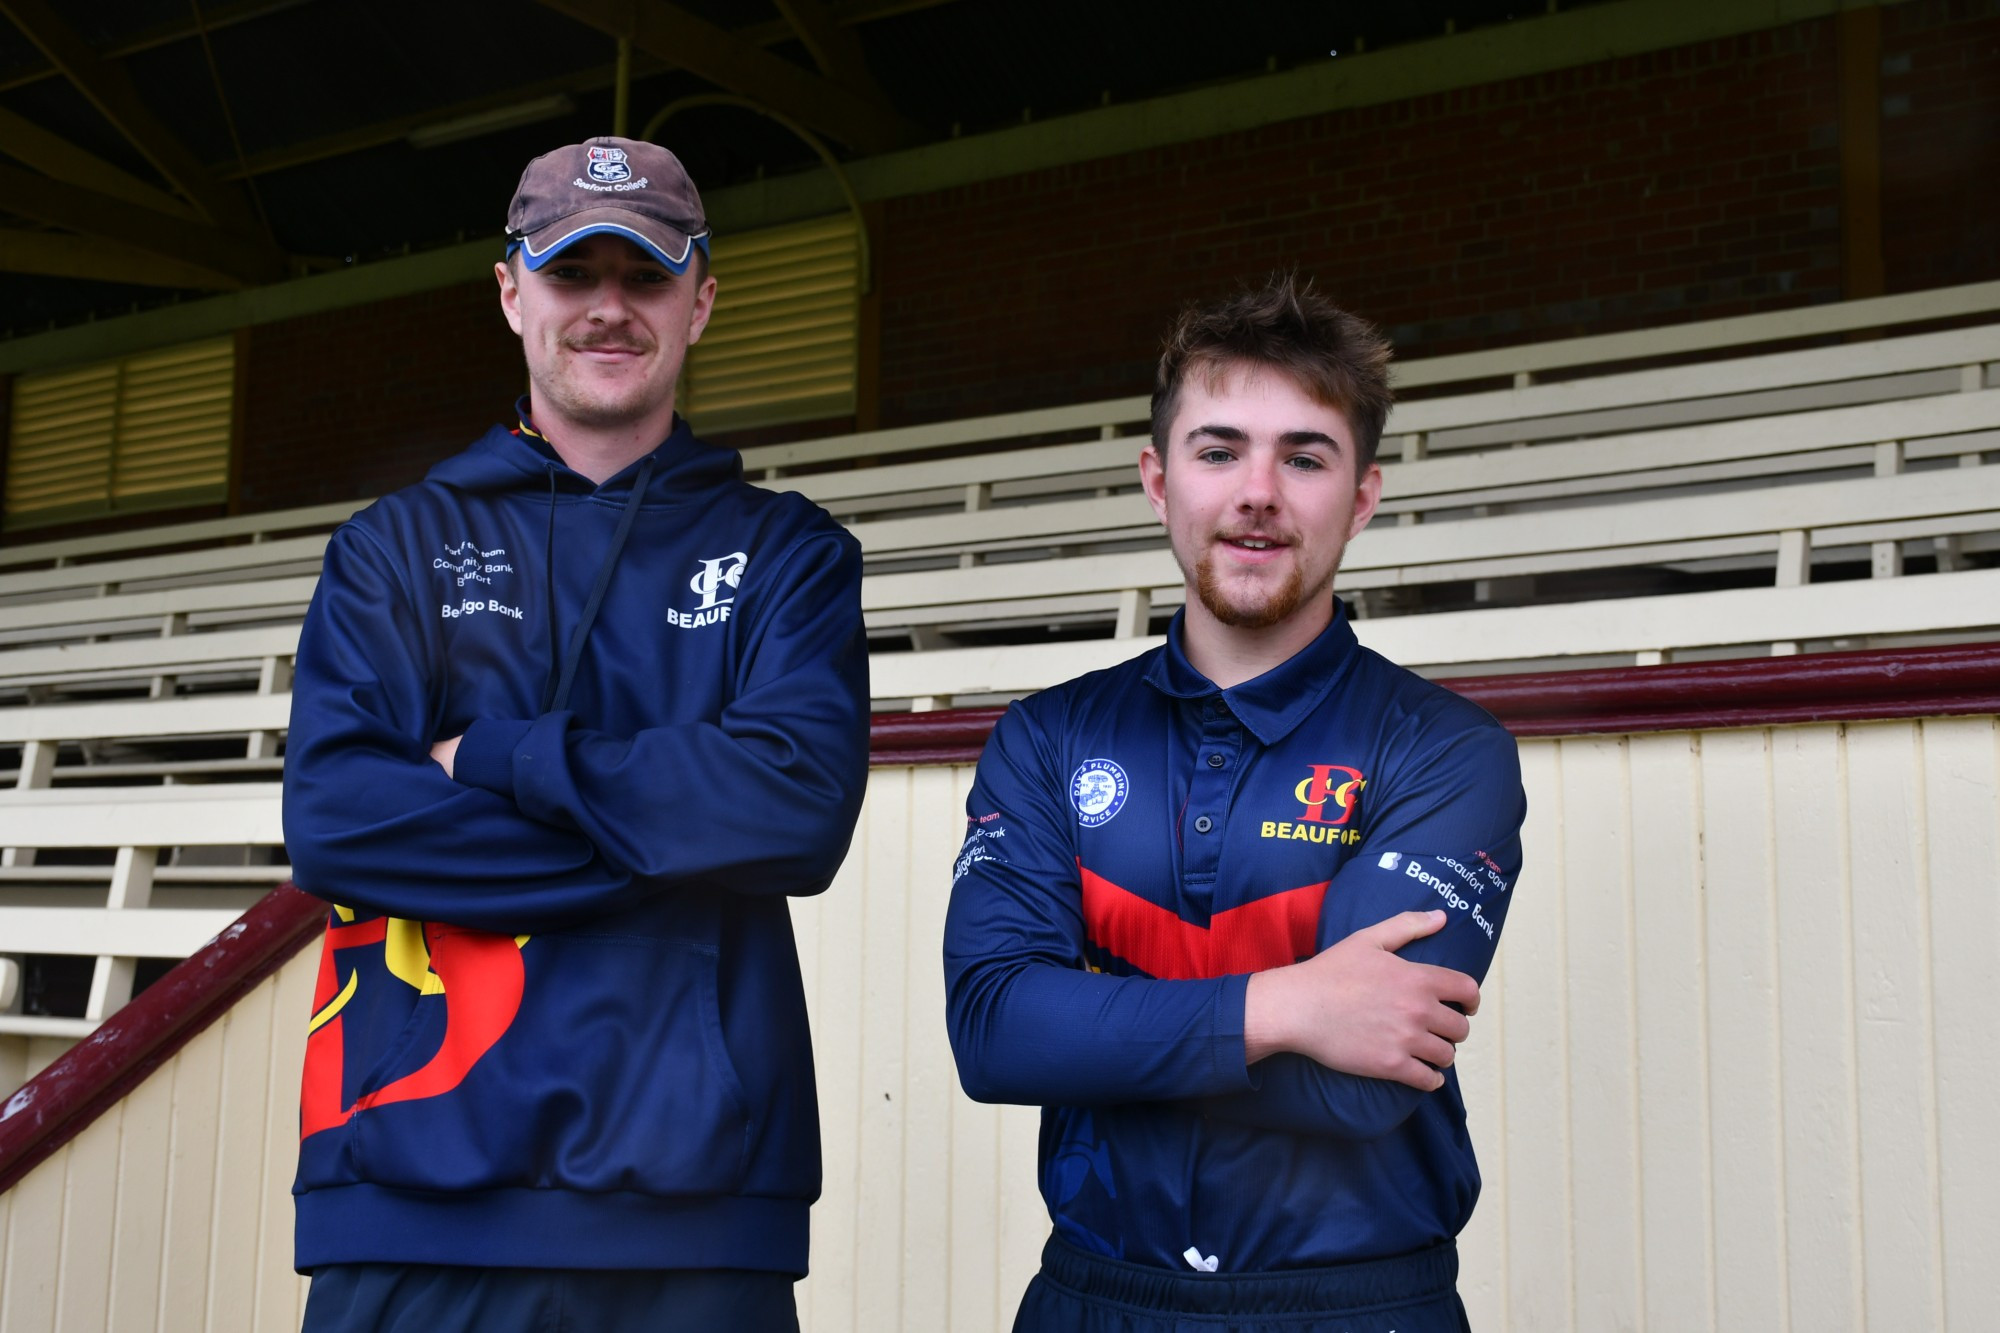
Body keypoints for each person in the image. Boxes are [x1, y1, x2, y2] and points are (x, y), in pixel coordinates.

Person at [282, 136, 869, 1332]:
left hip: (700, 1211)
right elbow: (338, 823)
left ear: (699, 300)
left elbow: (796, 813)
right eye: (571, 271)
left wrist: (496, 760)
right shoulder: (391, 548)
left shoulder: (790, 553)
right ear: (511, 292)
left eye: (644, 275)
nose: (608, 308)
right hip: (407, 1186)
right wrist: (670, 841)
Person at [943, 274, 1525, 1332]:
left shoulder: (1445, 750)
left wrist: (1093, 1014)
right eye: (1218, 450)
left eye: (1302, 456)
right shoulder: (1046, 738)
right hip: (1095, 1298)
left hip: (1356, 1305)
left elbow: (1360, 1089)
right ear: (1158, 479)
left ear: (1359, 498)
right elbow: (995, 1035)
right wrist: (1285, 1008)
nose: (1257, 491)